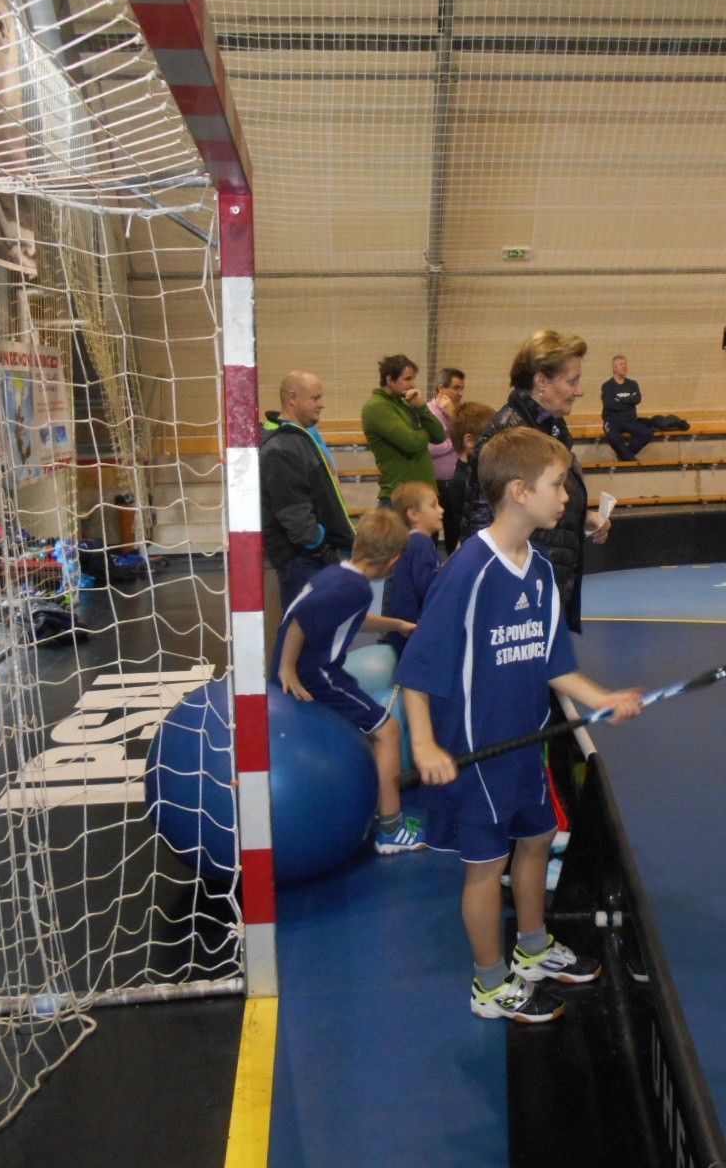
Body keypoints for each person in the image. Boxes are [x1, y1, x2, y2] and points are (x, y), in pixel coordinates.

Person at [398, 428, 643, 1022]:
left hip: (527, 744)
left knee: (536, 837)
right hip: (476, 751)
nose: (567, 496)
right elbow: (416, 668)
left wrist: (603, 699)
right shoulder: (468, 571)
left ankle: (532, 947)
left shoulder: (540, 571)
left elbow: (557, 664)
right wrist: (425, 744)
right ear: (519, 491)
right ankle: (488, 984)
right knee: (487, 867)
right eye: (557, 485)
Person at [275, 509, 424, 854]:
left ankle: (378, 806)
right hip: (319, 674)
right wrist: (287, 668)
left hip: (314, 668)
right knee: (388, 730)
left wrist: (396, 624)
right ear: (393, 561)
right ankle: (391, 828)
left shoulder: (338, 575)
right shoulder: (355, 589)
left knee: (373, 728)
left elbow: (349, 617)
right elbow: (301, 619)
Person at [461, 329, 609, 635]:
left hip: (546, 582)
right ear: (542, 380)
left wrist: (581, 516)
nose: (579, 391)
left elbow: (537, 501)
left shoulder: (553, 429)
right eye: (572, 381)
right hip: (520, 595)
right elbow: (482, 520)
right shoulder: (508, 437)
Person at [260, 371, 354, 603]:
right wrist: (321, 549)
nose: (321, 404)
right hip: (303, 561)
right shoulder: (282, 447)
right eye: (315, 398)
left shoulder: (297, 438)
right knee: (308, 623)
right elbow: (294, 512)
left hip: (310, 559)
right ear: (293, 398)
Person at [361, 354, 447, 507]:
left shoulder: (406, 402)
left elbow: (439, 435)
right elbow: (413, 443)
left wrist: (421, 407)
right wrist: (425, 431)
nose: (412, 384)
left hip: (422, 494)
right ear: (390, 379)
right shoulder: (377, 407)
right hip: (400, 498)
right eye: (407, 379)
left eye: (413, 379)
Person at [379, 480, 443, 656]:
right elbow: (428, 588)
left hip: (404, 628)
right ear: (414, 514)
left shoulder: (412, 542)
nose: (441, 510)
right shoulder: (421, 543)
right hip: (412, 631)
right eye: (434, 506)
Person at [443, 401, 494, 553]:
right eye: (491, 438)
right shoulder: (463, 481)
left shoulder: (474, 475)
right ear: (470, 441)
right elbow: (457, 532)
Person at [600, 354, 655, 462]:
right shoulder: (607, 386)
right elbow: (609, 404)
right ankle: (630, 460)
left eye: (625, 364)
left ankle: (624, 457)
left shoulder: (632, 384)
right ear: (614, 367)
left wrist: (619, 399)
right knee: (613, 437)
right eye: (621, 364)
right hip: (613, 421)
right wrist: (629, 401)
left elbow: (637, 399)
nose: (624, 367)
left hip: (630, 420)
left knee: (647, 433)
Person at [427, 367, 465, 492]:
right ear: (441, 388)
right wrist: (457, 442)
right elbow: (430, 448)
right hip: (437, 484)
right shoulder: (427, 413)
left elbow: (470, 438)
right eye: (456, 388)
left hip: (459, 481)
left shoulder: (460, 412)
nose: (460, 393)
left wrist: (453, 414)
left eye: (462, 388)